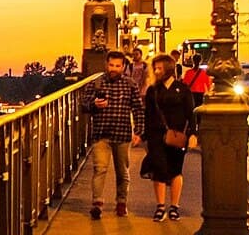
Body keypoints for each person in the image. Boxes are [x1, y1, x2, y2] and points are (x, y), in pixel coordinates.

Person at [82, 50, 144, 219]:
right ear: (106, 64)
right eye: (111, 65)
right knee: (99, 169)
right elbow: (84, 105)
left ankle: (121, 203)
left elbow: (138, 108)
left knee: (122, 171)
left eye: (117, 66)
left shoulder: (130, 84)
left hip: (122, 134)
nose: (114, 69)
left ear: (123, 67)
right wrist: (94, 104)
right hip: (101, 134)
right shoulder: (96, 83)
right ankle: (97, 204)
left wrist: (139, 131)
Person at [142, 53, 197, 221]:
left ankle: (174, 206)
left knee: (175, 170)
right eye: (155, 68)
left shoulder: (183, 89)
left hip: (177, 135)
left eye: (159, 68)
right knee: (159, 168)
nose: (156, 71)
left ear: (169, 69)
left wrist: (193, 133)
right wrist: (145, 136)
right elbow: (148, 115)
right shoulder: (153, 90)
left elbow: (191, 113)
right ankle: (160, 206)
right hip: (157, 135)